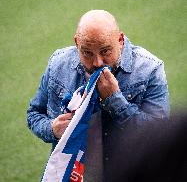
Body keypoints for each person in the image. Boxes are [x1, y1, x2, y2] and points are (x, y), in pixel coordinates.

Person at [27, 10, 170, 181]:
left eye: (105, 51)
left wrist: (115, 100)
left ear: (120, 40)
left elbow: (159, 139)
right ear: (76, 43)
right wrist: (52, 129)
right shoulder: (58, 63)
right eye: (87, 52)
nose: (97, 62)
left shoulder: (149, 70)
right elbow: (34, 114)